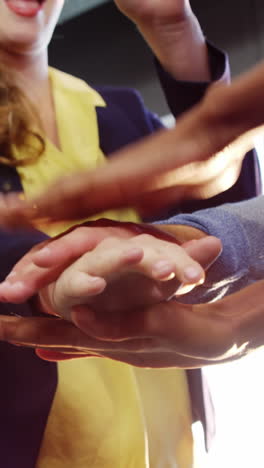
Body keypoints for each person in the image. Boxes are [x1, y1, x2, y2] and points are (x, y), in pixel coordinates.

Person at [0, 0, 258, 467]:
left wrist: (174, 29)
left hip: (161, 439)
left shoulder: (115, 108)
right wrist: (49, 283)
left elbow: (228, 217)